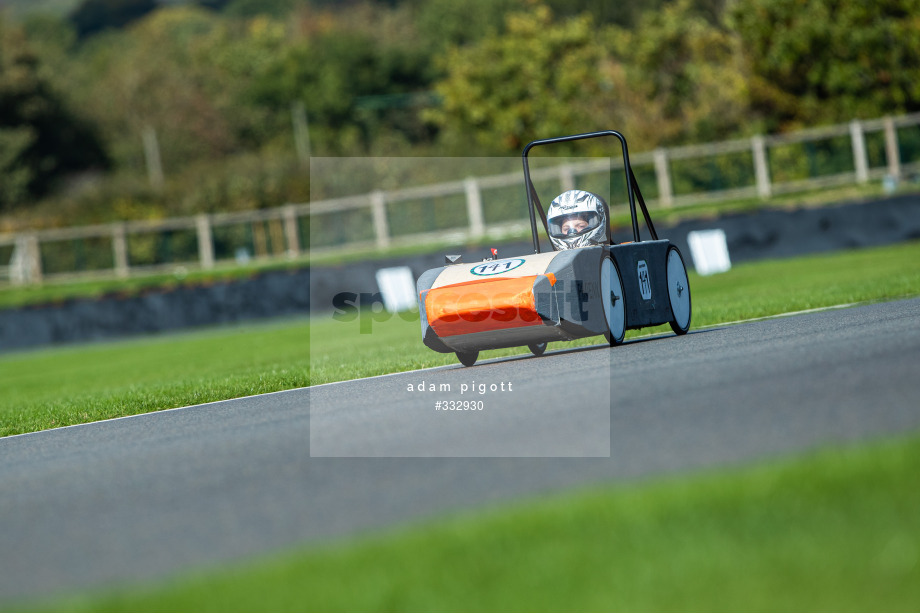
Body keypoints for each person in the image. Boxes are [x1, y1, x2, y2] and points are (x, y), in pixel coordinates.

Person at [546, 189, 610, 250]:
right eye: (566, 229)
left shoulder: (609, 257)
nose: (572, 231)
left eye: (580, 226)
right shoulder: (553, 260)